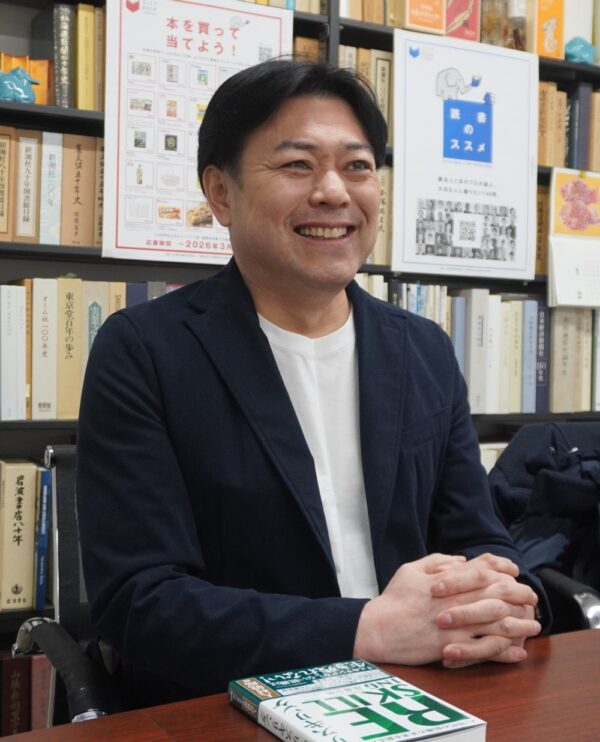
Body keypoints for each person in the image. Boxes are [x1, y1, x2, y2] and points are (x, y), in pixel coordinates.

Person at [77, 59, 547, 711]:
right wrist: (366, 630)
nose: (333, 192)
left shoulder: (422, 348)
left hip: (422, 692)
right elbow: (139, 600)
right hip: (231, 704)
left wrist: (501, 593)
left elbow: (476, 535)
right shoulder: (145, 350)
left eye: (357, 166)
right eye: (297, 165)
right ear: (221, 192)